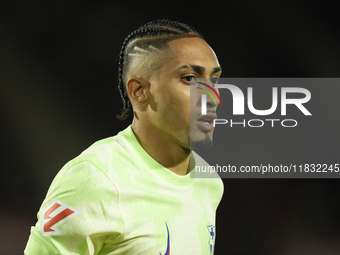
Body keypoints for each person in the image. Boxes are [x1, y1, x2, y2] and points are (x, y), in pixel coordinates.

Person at [24, 19, 224, 255]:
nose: (213, 97)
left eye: (215, 80)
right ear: (139, 91)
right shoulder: (96, 179)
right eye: (190, 78)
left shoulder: (209, 180)